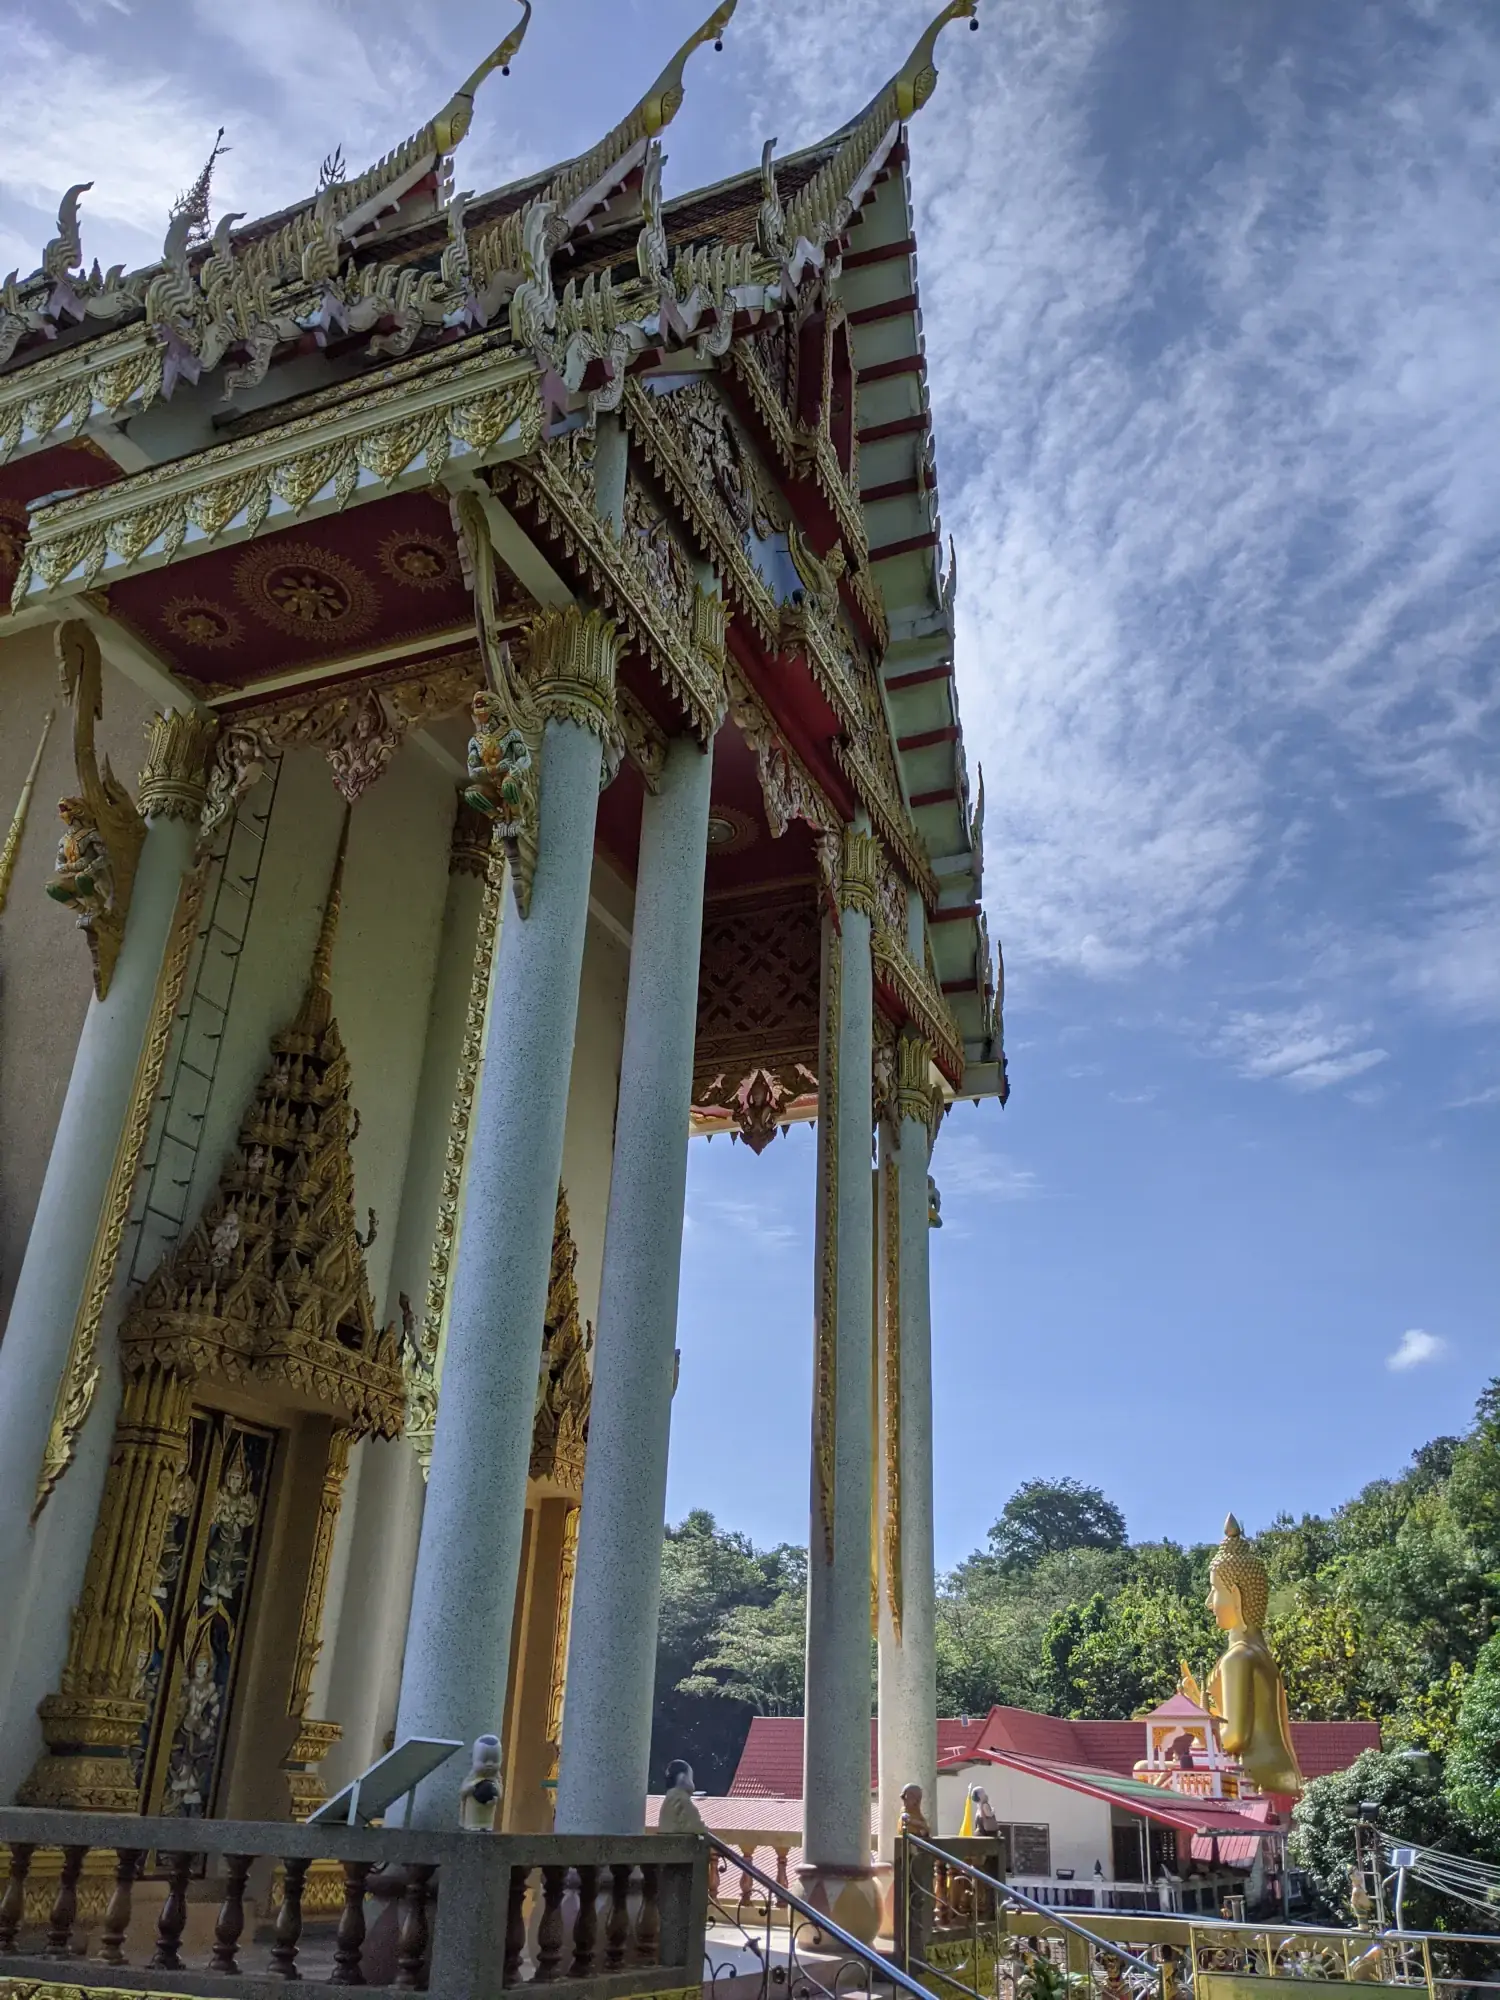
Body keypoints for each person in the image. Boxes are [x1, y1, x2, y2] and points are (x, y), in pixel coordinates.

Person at [658, 1759, 707, 1834]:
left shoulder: (668, 1800)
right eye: (690, 1777)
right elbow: (695, 1827)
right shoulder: (681, 1799)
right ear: (683, 1777)